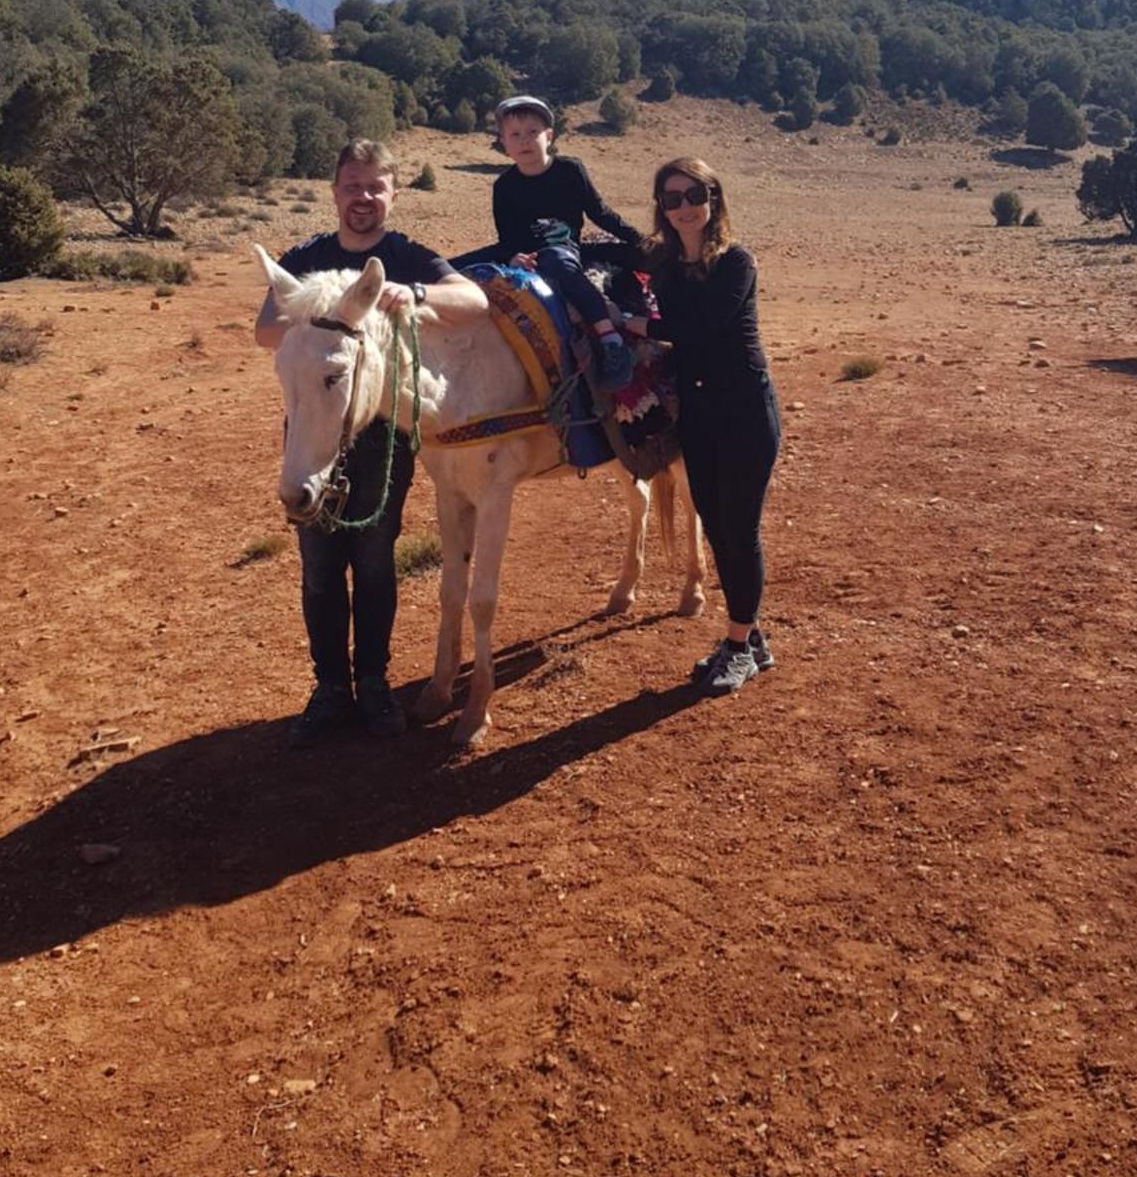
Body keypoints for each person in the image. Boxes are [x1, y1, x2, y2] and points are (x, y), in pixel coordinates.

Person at [254, 139, 487, 744]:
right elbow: (264, 331)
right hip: (312, 430)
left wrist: (419, 295)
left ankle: (375, 685)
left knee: (376, 561)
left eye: (375, 187)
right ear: (335, 192)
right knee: (318, 567)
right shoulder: (307, 256)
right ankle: (330, 689)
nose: (363, 198)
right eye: (352, 186)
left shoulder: (405, 257)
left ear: (392, 194)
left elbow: (476, 301)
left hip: (382, 437)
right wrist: (322, 302)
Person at [624, 156, 781, 695]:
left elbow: (699, 328)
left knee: (740, 530)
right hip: (698, 413)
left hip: (744, 412)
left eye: (695, 195)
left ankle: (738, 647)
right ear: (662, 208)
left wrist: (635, 323)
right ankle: (751, 638)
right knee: (716, 528)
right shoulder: (665, 264)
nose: (685, 207)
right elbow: (616, 247)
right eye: (672, 199)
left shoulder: (737, 262)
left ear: (713, 200)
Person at [452, 94, 642, 391]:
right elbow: (507, 236)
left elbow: (600, 213)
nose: (524, 140)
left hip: (561, 248)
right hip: (524, 252)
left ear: (549, 136)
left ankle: (611, 341)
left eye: (532, 132)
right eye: (515, 135)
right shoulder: (504, 187)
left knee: (559, 261)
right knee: (454, 267)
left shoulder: (570, 170)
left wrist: (640, 240)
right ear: (504, 142)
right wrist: (515, 256)